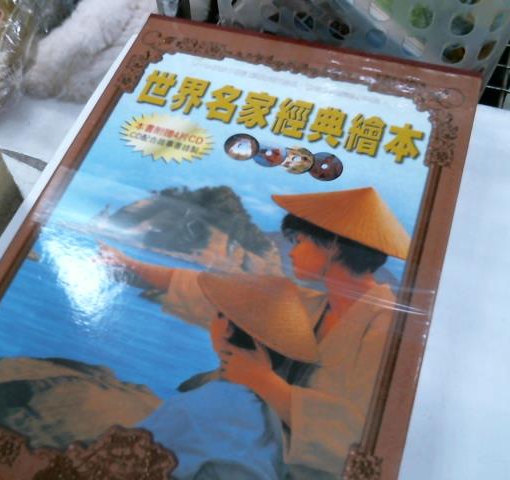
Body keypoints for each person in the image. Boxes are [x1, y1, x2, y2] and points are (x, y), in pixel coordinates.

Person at [101, 186, 410, 479]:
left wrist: (263, 381)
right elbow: (225, 296)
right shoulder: (316, 304)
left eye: (299, 241)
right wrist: (136, 270)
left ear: (332, 246)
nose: (292, 253)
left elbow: (361, 435)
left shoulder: (385, 331)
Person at [138, 272, 318, 480]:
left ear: (226, 329)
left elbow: (129, 460)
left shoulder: (193, 409)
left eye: (219, 314)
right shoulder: (275, 418)